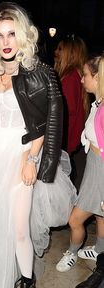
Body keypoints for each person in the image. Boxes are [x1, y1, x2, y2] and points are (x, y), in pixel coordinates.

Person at [0, 2, 70, 288]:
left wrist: (31, 160)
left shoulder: (39, 72)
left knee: (18, 230)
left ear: (23, 34)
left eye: (11, 33)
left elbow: (45, 122)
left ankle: (26, 284)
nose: (5, 41)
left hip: (21, 154)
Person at [56, 55, 104, 273]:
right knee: (100, 214)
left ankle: (72, 253)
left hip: (101, 172)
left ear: (97, 77)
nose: (82, 80)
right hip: (94, 167)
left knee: (74, 219)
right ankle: (100, 250)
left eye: (85, 75)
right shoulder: (99, 102)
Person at [54, 36, 89, 181]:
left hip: (65, 139)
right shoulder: (74, 76)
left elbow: (66, 113)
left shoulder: (70, 78)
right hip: (68, 139)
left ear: (71, 54)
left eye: (60, 49)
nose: (56, 51)